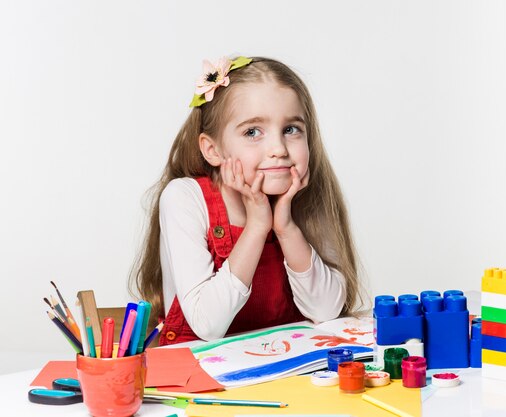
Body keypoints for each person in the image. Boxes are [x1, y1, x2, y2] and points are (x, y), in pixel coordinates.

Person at [131, 56, 363, 345]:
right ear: (212, 150)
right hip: (204, 378)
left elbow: (326, 311)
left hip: (287, 375)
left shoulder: (305, 196)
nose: (278, 148)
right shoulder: (184, 198)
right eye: (253, 132)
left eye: (291, 129)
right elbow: (208, 324)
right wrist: (256, 227)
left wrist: (286, 228)